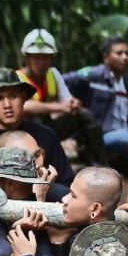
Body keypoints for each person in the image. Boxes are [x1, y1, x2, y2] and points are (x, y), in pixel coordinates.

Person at [0, 67, 74, 202]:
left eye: (13, 96)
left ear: (23, 98)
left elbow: (67, 183)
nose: (7, 105)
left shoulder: (46, 136)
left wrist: (43, 192)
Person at [65, 37, 128, 172]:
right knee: (123, 139)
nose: (125, 57)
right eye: (119, 53)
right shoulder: (93, 74)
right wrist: (68, 102)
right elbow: (64, 80)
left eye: (127, 53)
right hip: (102, 138)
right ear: (106, 57)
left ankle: (126, 160)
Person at [16, 28, 106, 166]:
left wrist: (73, 104)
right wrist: (59, 107)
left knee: (84, 115)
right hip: (24, 133)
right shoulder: (17, 77)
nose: (41, 62)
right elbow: (23, 106)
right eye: (36, 57)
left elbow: (67, 99)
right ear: (26, 58)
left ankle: (96, 160)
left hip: (47, 126)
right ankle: (42, 163)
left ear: (52, 58)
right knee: (36, 120)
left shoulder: (53, 74)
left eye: (46, 57)